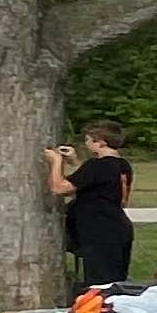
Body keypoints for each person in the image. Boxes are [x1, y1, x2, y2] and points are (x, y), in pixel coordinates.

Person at [49, 120, 136, 290]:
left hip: (99, 233)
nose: (86, 144)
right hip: (118, 228)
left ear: (101, 142)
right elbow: (93, 184)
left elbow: (59, 188)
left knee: (100, 286)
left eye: (88, 140)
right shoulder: (122, 165)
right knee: (115, 283)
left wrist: (55, 161)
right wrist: (74, 161)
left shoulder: (96, 166)